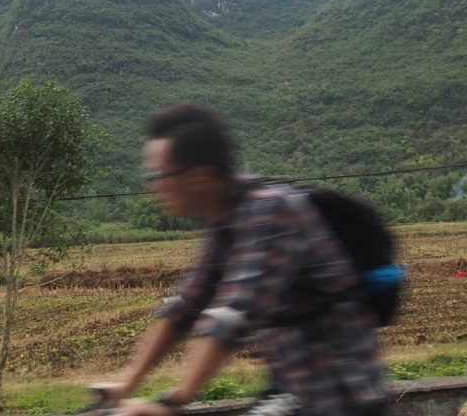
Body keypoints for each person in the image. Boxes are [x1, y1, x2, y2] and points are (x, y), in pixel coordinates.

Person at [94, 103, 386, 416]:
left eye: (159, 175)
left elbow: (233, 316)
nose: (153, 186)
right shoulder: (224, 219)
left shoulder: (271, 210)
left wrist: (175, 400)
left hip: (340, 391)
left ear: (199, 176)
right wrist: (125, 385)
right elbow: (185, 305)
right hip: (293, 389)